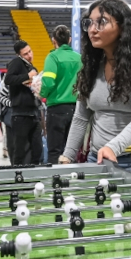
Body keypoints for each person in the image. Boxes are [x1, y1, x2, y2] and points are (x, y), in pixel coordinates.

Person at [60, 0, 131, 170]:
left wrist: (112, 147)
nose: (92, 29)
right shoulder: (91, 67)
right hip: (96, 159)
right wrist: (67, 156)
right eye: (90, 23)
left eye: (101, 22)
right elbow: (81, 117)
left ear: (123, 27)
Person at [39, 24, 82, 161]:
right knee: (72, 151)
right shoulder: (79, 58)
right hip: (77, 109)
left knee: (54, 151)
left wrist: (42, 93)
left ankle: (55, 179)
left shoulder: (52, 58)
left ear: (54, 40)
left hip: (56, 110)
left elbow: (48, 82)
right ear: (69, 40)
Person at [4, 39, 43, 165]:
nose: (30, 55)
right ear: (19, 55)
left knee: (37, 150)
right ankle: (17, 176)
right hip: (20, 114)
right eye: (26, 54)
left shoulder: (32, 67)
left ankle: (36, 176)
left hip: (34, 113)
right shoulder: (16, 63)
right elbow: (8, 79)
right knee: (19, 151)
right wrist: (28, 76)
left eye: (30, 51)